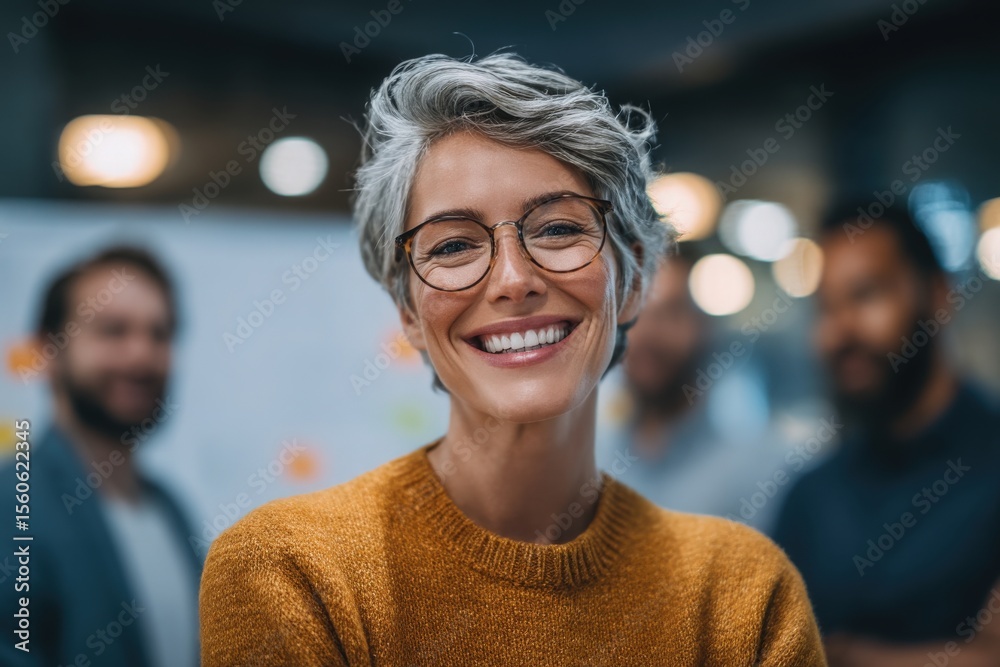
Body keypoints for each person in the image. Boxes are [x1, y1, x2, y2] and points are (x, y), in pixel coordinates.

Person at [199, 52, 827, 666]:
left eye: (558, 229)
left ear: (633, 282)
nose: (512, 280)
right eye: (452, 244)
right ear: (410, 316)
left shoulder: (739, 592)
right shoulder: (293, 571)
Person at [772, 204, 1000, 665]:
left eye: (867, 295)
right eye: (826, 307)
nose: (841, 330)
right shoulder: (811, 496)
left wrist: (844, 656)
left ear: (938, 295)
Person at [0, 246, 202, 667]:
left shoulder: (171, 510)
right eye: (113, 330)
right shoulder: (11, 502)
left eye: (159, 334)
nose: (141, 355)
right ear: (47, 350)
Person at [596, 245, 794, 535]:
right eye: (636, 314)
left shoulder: (760, 470)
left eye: (671, 313)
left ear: (704, 326)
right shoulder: (593, 463)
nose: (649, 333)